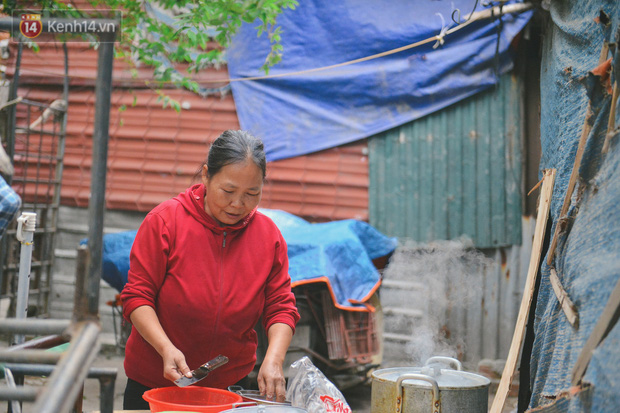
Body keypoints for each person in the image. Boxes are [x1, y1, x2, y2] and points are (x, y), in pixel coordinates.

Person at [120, 130, 300, 410]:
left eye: (252, 193)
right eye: (228, 191)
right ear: (206, 176)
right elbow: (137, 297)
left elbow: (281, 306)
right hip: (154, 385)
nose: (238, 204)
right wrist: (166, 348)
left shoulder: (268, 236)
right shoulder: (165, 222)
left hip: (228, 389)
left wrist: (274, 360)